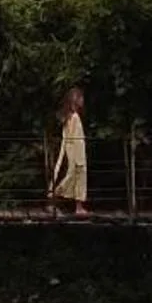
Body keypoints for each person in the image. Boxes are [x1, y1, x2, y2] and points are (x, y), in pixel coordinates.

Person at [48, 86, 89, 218]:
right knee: (70, 176)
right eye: (81, 98)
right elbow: (71, 137)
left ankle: (79, 207)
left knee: (78, 178)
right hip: (74, 151)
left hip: (76, 150)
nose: (83, 100)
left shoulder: (72, 117)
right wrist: (75, 154)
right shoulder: (73, 117)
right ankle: (53, 200)